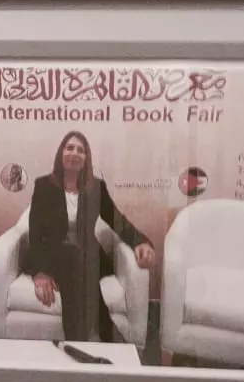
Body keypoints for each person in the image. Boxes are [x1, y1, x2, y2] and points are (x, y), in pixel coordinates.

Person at [24, 131, 156, 342]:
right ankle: (108, 336)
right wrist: (39, 272)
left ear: (86, 158)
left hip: (88, 259)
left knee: (76, 262)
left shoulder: (96, 187)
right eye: (69, 147)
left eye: (81, 150)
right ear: (61, 153)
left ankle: (75, 342)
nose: (74, 153)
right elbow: (35, 231)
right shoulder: (44, 186)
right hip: (54, 259)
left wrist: (141, 241)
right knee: (72, 260)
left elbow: (116, 220)